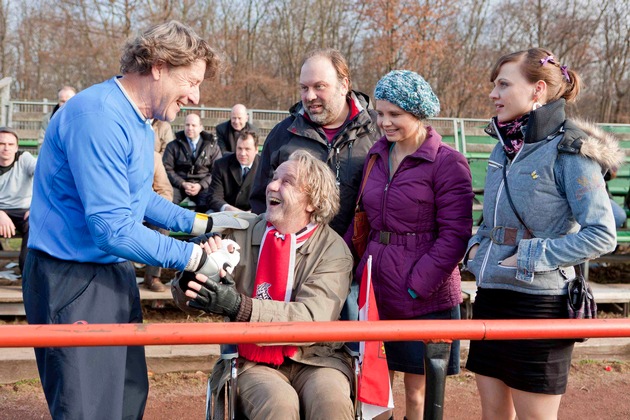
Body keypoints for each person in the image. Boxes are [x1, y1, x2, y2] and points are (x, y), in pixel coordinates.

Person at [22, 21, 244, 420]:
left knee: (126, 399)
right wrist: (193, 259)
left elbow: (138, 198)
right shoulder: (99, 115)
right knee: (89, 409)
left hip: (111, 272)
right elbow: (112, 228)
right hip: (71, 275)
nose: (195, 97)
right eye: (191, 81)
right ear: (158, 65)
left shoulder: (140, 122)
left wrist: (209, 223)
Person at [463, 48, 621, 420]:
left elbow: (602, 235)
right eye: (494, 85)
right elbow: (489, 221)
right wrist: (475, 249)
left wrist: (532, 256)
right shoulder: (503, 146)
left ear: (537, 90)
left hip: (540, 305)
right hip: (492, 297)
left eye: (504, 84)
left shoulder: (572, 151)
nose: (493, 94)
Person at [173, 150, 355, 420]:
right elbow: (182, 299)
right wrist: (195, 276)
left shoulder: (333, 250)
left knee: (332, 405)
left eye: (287, 182)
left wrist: (240, 307)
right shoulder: (239, 232)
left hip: (316, 358)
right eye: (274, 178)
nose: (272, 185)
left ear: (312, 202)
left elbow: (313, 318)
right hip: (251, 359)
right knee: (279, 405)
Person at [346, 70, 474, 419]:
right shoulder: (377, 154)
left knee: (417, 397)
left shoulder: (449, 162)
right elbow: (363, 218)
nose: (384, 122)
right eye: (380, 113)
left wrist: (416, 286)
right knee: (374, 391)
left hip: (424, 296)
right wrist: (348, 268)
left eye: (395, 114)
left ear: (418, 113)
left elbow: (455, 236)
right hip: (377, 287)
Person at [249, 48, 381, 237]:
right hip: (299, 257)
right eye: (304, 88)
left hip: (361, 256)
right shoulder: (282, 135)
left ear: (344, 85)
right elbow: (260, 201)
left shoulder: (378, 130)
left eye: (319, 86)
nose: (309, 96)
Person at [163, 112, 222, 213]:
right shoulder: (173, 146)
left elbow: (216, 170)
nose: (190, 128)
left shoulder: (212, 146)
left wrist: (201, 185)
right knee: (167, 203)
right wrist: (182, 183)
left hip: (203, 185)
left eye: (193, 125)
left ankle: (201, 228)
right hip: (179, 184)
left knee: (208, 204)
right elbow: (167, 168)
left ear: (200, 127)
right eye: (187, 125)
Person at [0, 127, 36, 273]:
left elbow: (45, 179)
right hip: (1, 211)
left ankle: (26, 273)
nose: (6, 148)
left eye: (10, 144)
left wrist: (35, 208)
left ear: (16, 147)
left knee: (34, 223)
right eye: (1, 144)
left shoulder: (24, 158)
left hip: (23, 210)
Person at [207, 129, 260, 212]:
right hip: (227, 212)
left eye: (247, 149)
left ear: (256, 150)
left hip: (254, 214)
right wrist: (229, 209)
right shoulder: (221, 165)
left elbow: (265, 198)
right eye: (239, 148)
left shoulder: (264, 167)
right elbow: (214, 196)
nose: (242, 153)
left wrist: (251, 213)